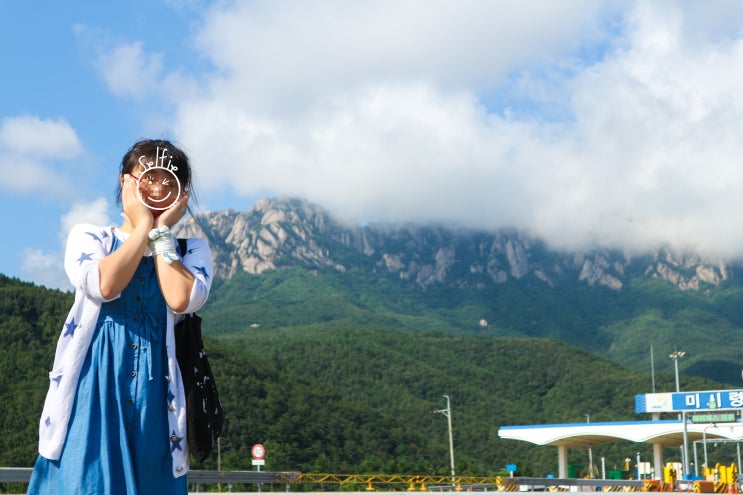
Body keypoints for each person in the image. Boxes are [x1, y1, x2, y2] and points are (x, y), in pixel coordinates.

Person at [27, 139, 213, 494]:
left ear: (181, 195)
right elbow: (105, 285)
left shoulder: (191, 250)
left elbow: (180, 298)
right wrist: (142, 226)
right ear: (126, 181)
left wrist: (159, 235)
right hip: (93, 387)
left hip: (158, 400)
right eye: (148, 178)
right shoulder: (90, 237)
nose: (158, 189)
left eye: (169, 183)